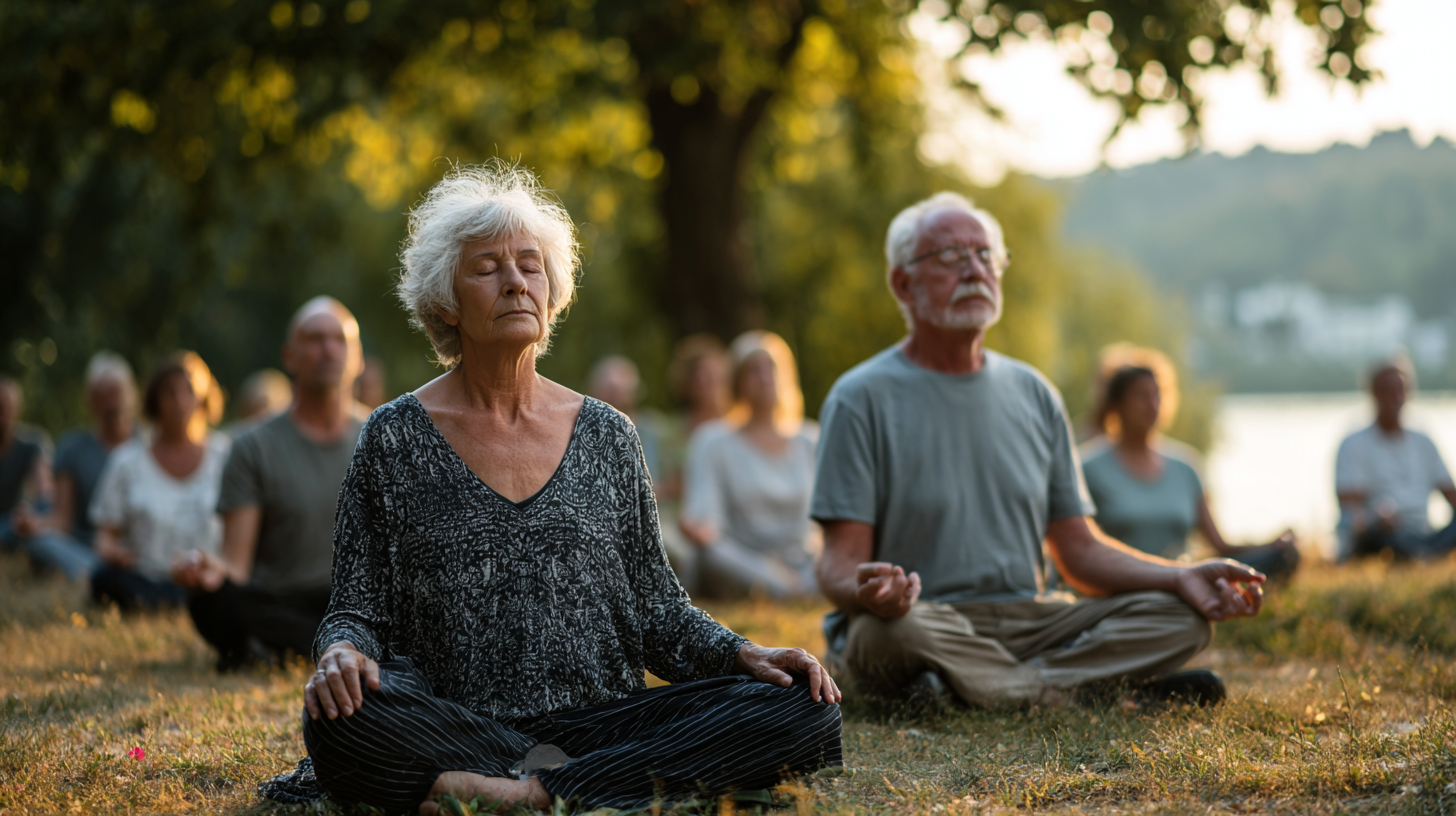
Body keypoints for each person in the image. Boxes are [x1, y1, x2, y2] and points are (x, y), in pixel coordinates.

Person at [272, 165, 840, 815]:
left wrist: (746, 653)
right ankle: (589, 787)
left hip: (606, 724)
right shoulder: (392, 436)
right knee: (339, 716)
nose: (514, 280)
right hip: (455, 721)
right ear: (445, 301)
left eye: (530, 265)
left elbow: (658, 611)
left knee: (805, 706)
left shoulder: (608, 434)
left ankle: (527, 793)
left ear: (552, 292)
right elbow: (356, 609)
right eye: (487, 267)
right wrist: (341, 652)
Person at [812, 192, 1266, 710]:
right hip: (924, 619)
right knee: (883, 637)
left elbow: (1079, 552)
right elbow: (836, 564)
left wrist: (1180, 575)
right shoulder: (859, 397)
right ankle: (1080, 690)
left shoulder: (1034, 393)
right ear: (902, 283)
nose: (974, 270)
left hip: (1034, 619)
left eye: (985, 255)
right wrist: (869, 591)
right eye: (950, 257)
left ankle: (985, 689)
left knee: (1180, 617)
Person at [172, 297, 368, 671]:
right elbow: (236, 565)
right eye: (314, 339)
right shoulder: (252, 446)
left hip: (358, 606)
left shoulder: (384, 438)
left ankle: (276, 648)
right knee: (212, 602)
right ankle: (314, 646)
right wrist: (206, 571)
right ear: (289, 356)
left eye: (339, 339)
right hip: (280, 600)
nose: (327, 349)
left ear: (357, 359)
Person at [1080, 354, 1300, 582]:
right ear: (1117, 404)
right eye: (1142, 396)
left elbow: (1218, 544)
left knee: (1284, 556)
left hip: (1181, 584)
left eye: (1157, 395)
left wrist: (1271, 545)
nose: (1152, 404)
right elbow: (1078, 550)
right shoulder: (1087, 469)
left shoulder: (1185, 466)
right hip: (1120, 586)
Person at [680, 331, 821, 600]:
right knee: (710, 554)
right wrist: (698, 528)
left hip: (805, 562)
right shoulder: (712, 441)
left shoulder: (810, 440)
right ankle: (788, 589)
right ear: (737, 382)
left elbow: (830, 523)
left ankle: (793, 587)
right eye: (754, 370)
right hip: (745, 561)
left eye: (772, 367)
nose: (765, 376)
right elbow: (706, 519)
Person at [89, 352, 229, 611]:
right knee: (102, 579)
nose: (179, 402)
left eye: (189, 390)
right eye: (169, 393)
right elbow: (104, 536)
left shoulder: (226, 456)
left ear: (203, 397)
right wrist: (115, 553)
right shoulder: (127, 461)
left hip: (212, 578)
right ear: (154, 399)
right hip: (148, 578)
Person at [25, 353, 138, 580]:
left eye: (115, 393)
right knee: (38, 542)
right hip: (85, 550)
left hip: (136, 552)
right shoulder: (72, 448)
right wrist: (33, 524)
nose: (111, 404)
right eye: (102, 396)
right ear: (90, 400)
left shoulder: (148, 446)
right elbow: (62, 519)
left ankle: (108, 577)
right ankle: (97, 575)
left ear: (129, 395)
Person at [1334, 357, 1456, 562]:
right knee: (1384, 536)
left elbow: (1451, 495)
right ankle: (1422, 556)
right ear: (1373, 393)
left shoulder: (1423, 442)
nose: (1395, 397)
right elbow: (1350, 513)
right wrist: (1376, 517)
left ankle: (1423, 555)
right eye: (1387, 389)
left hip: (1422, 533)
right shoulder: (1353, 444)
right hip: (1384, 534)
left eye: (1400, 389)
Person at [0, 377, 51, 555]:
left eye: (6, 407)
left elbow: (45, 489)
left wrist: (31, 516)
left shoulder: (32, 443)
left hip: (15, 522)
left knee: (45, 511)